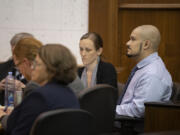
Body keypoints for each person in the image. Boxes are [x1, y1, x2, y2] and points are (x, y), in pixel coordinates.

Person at [1, 44, 80, 135]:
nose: (32, 67)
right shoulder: (71, 95)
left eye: (37, 64)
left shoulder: (39, 96)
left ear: (50, 69)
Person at [116, 25, 172, 118]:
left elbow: (139, 110)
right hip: (122, 121)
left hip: (131, 128)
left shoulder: (152, 74)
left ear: (146, 44)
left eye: (133, 39)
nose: (127, 43)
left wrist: (111, 110)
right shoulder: (144, 68)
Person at [0, 33, 34, 105]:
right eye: (13, 53)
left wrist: (24, 88)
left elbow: (44, 94)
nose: (15, 57)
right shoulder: (2, 67)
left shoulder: (40, 69)